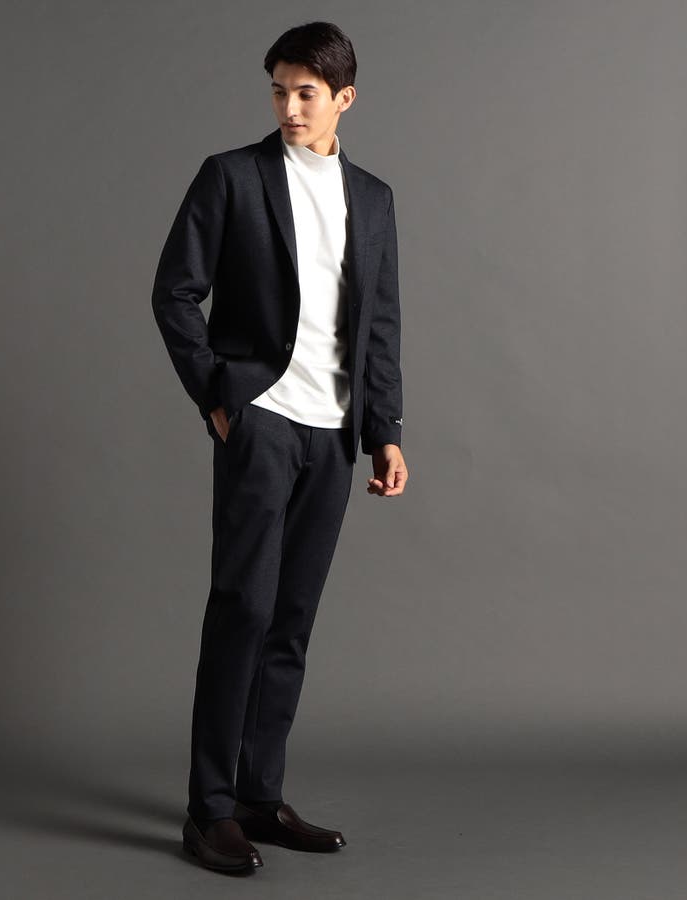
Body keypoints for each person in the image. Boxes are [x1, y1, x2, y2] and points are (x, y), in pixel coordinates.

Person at [152, 20, 408, 874]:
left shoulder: (373, 199)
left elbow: (379, 325)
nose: (290, 107)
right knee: (244, 611)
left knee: (292, 621)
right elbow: (175, 292)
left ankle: (260, 797)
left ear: (344, 99)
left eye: (306, 92)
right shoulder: (232, 176)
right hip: (260, 423)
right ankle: (209, 809)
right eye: (278, 90)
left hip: (333, 437)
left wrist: (386, 431)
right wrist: (220, 395)